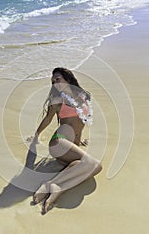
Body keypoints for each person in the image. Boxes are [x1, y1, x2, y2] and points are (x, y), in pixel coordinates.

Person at [31, 67, 102, 214]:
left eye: (58, 79)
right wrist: (36, 136)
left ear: (67, 78)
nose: (55, 83)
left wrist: (79, 139)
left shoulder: (84, 97)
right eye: (53, 81)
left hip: (71, 148)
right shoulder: (57, 100)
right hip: (59, 142)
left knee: (94, 168)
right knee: (94, 164)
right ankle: (49, 185)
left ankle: (57, 187)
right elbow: (48, 119)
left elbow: (80, 121)